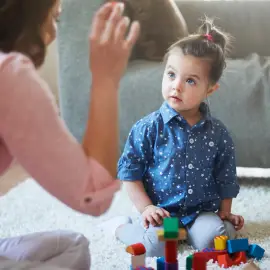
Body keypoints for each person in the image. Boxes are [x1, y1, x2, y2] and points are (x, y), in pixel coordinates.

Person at [0, 0, 140, 269]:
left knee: (72, 246)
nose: (53, 33)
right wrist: (105, 79)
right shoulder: (9, 75)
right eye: (53, 17)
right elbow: (91, 196)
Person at [104, 18, 244, 257]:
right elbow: (130, 174)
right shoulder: (147, 128)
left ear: (210, 89)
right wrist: (146, 208)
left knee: (215, 240)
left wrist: (225, 211)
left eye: (190, 81)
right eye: (171, 75)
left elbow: (226, 177)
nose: (176, 86)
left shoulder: (218, 134)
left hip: (201, 211)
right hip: (162, 212)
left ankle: (197, 230)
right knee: (154, 248)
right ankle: (119, 227)